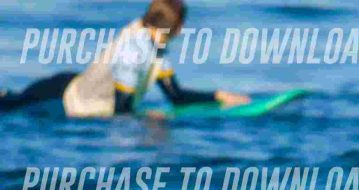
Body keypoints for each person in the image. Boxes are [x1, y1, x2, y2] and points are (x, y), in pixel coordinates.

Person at [0, 0, 248, 117]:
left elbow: (175, 96)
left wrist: (219, 96)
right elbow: (121, 112)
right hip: (64, 95)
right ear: (175, 26)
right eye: (182, 24)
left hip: (81, 83)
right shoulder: (134, 51)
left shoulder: (154, 41)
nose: (183, 29)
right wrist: (148, 120)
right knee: (10, 105)